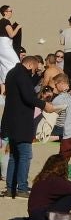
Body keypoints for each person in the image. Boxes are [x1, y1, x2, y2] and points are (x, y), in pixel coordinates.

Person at [2, 48, 42, 197]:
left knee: (14, 155)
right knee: (25, 155)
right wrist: (45, 105)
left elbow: (24, 88)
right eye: (35, 69)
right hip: (21, 122)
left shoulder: (13, 73)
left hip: (11, 121)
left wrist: (39, 76)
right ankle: (22, 188)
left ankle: (11, 188)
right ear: (30, 65)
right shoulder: (21, 76)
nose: (34, 72)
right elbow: (28, 97)